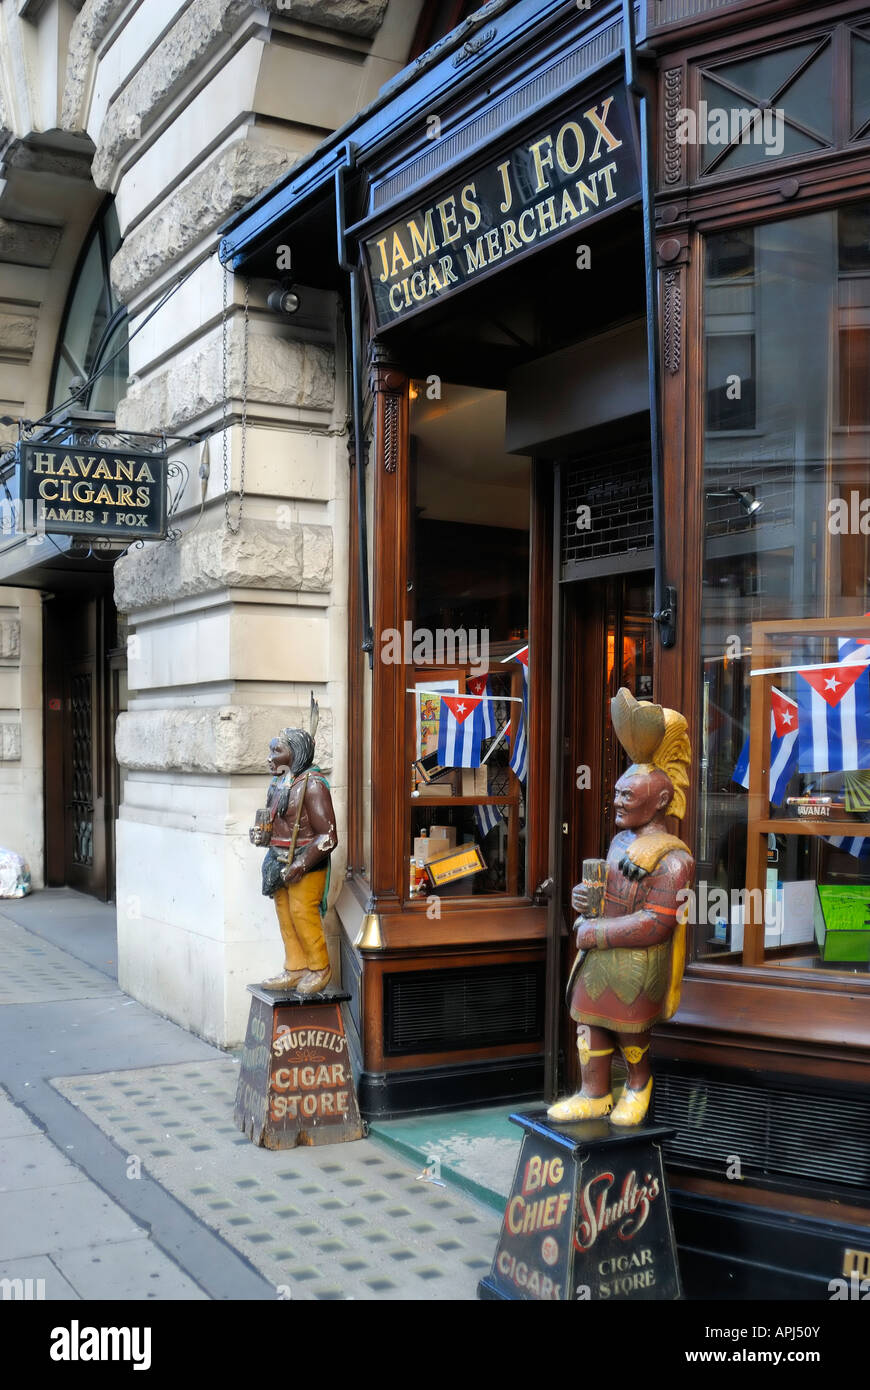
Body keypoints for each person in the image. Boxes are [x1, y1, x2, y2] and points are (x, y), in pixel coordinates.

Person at [548, 688, 694, 1127]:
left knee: (631, 1027)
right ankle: (593, 1092)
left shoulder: (674, 860)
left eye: (628, 796)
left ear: (660, 800)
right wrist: (583, 900)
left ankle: (637, 1085)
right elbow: (609, 892)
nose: (617, 801)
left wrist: (598, 933)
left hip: (636, 960)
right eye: (617, 792)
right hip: (599, 955)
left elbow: (657, 924)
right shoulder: (618, 843)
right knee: (589, 1020)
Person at [250, 727, 337, 995]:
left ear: (296, 753)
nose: (270, 757)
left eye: (277, 751)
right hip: (278, 861)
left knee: (302, 913)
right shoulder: (279, 783)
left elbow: (328, 836)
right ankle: (295, 966)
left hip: (305, 863)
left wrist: (301, 864)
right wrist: (262, 834)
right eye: (271, 750)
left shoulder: (312, 785)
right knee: (285, 914)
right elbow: (276, 823)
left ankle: (319, 967)